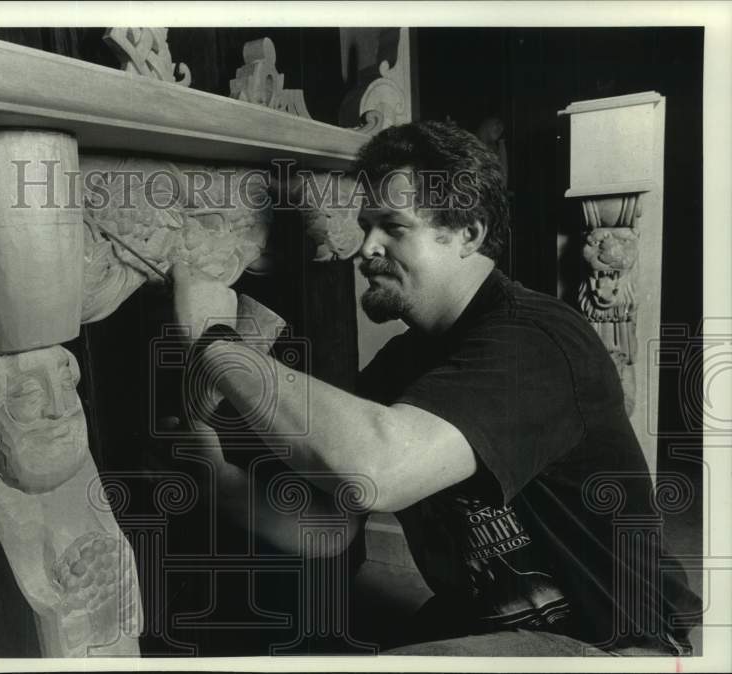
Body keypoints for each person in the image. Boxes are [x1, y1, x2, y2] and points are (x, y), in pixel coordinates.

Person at [168, 120, 699, 656]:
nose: (366, 248)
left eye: (392, 227)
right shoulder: (401, 362)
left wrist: (216, 344)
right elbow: (324, 526)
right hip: (488, 621)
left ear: (468, 233)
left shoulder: (537, 341)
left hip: (613, 642)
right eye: (365, 225)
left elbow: (377, 471)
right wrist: (212, 468)